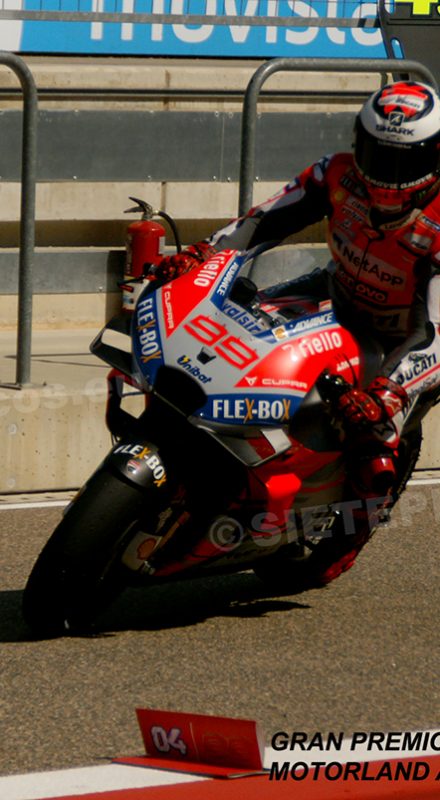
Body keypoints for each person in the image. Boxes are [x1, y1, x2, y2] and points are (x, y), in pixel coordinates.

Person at [153, 80, 440, 581]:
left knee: (373, 445)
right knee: (234, 324)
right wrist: (204, 253)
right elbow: (262, 222)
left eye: (403, 162)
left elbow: (437, 330)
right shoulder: (337, 174)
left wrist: (389, 393)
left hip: (404, 342)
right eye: (376, 154)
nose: (385, 174)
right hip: (336, 292)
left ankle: (344, 543)